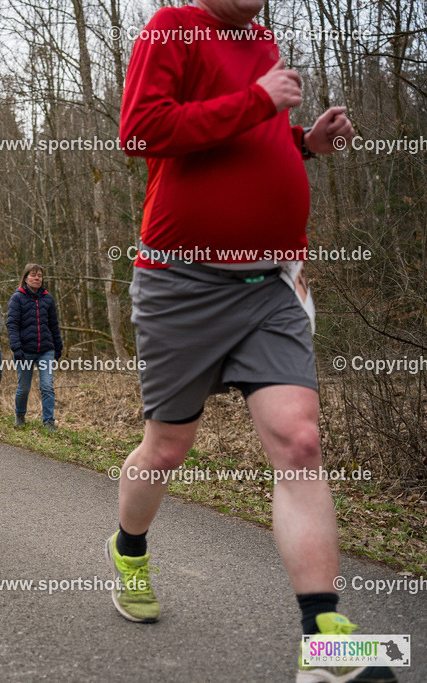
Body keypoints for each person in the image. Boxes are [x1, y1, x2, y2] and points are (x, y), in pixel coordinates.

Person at [110, 2, 388, 681]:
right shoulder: (174, 26)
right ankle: (130, 546)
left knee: (300, 440)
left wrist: (302, 143)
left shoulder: (259, 38)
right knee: (168, 445)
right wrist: (254, 99)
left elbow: (249, 138)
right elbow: (141, 129)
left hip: (270, 281)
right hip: (182, 282)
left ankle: (323, 640)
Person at [6, 264, 62, 431]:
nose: (37, 278)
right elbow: (12, 324)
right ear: (26, 278)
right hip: (25, 351)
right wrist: (16, 348)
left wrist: (58, 348)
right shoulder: (17, 298)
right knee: (24, 388)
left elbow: (54, 325)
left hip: (46, 350)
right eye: (33, 275)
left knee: (47, 386)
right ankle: (20, 414)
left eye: (39, 276)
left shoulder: (48, 298)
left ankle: (48, 422)